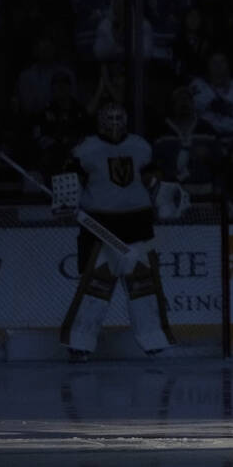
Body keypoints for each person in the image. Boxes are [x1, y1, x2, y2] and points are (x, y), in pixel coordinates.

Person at [52, 103, 176, 361]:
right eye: (109, 117)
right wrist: (65, 199)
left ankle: (154, 341)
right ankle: (80, 344)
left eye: (119, 117)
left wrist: (160, 194)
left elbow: (152, 177)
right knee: (94, 286)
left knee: (144, 285)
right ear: (98, 121)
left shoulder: (140, 145)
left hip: (138, 224)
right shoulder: (85, 148)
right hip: (99, 226)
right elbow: (68, 179)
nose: (114, 122)